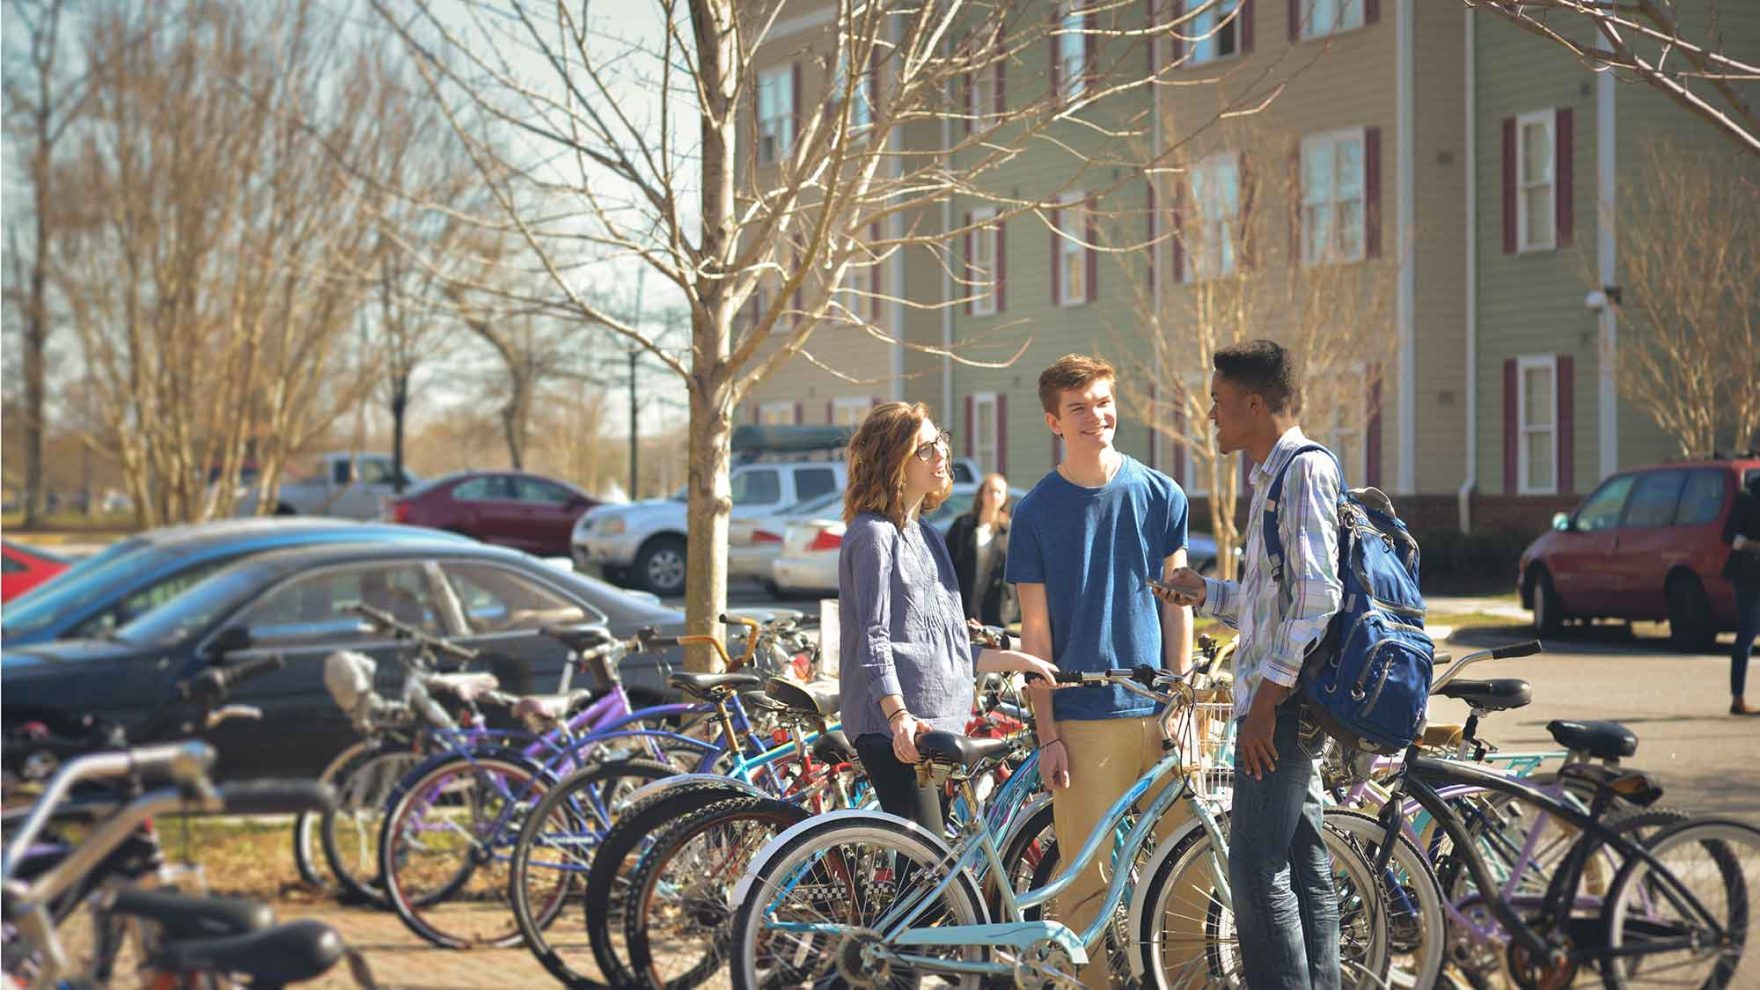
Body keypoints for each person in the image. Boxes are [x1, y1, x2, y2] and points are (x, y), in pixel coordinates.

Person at [1160, 339, 1343, 990]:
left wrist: (1265, 703)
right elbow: (1274, 606)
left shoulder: (1303, 472)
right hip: (1277, 698)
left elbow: (1320, 598)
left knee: (1255, 870)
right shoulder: (1270, 478)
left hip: (1282, 708)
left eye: (1219, 403)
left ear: (1255, 403)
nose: (1210, 415)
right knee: (1301, 865)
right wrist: (1206, 593)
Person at [1005, 354, 1192, 987]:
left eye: (1103, 402)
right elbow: (1036, 633)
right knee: (1086, 885)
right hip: (1083, 723)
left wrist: (1182, 699)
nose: (1096, 416)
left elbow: (1177, 606)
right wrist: (1047, 731)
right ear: (1054, 421)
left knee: (1191, 871)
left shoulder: (1161, 494)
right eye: (1079, 407)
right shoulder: (1033, 513)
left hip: (1164, 718)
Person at [839, 402, 1059, 833]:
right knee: (928, 874)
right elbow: (874, 638)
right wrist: (898, 715)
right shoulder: (874, 535)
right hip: (897, 731)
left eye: (939, 441)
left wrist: (1025, 659)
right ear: (893, 462)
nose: (941, 455)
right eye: (924, 449)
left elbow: (950, 645)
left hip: (937, 727)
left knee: (930, 873)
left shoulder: (929, 538)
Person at [945, 473, 1012, 626]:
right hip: (962, 603)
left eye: (999, 492)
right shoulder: (963, 525)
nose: (994, 496)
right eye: (990, 491)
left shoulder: (1008, 531)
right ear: (982, 494)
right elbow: (947, 562)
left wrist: (1009, 606)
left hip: (995, 610)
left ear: (1005, 498)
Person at [1722, 471, 1760, 716]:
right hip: (1746, 574)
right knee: (1747, 631)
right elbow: (1728, 536)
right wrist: (1754, 545)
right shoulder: (1746, 497)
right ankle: (1738, 698)